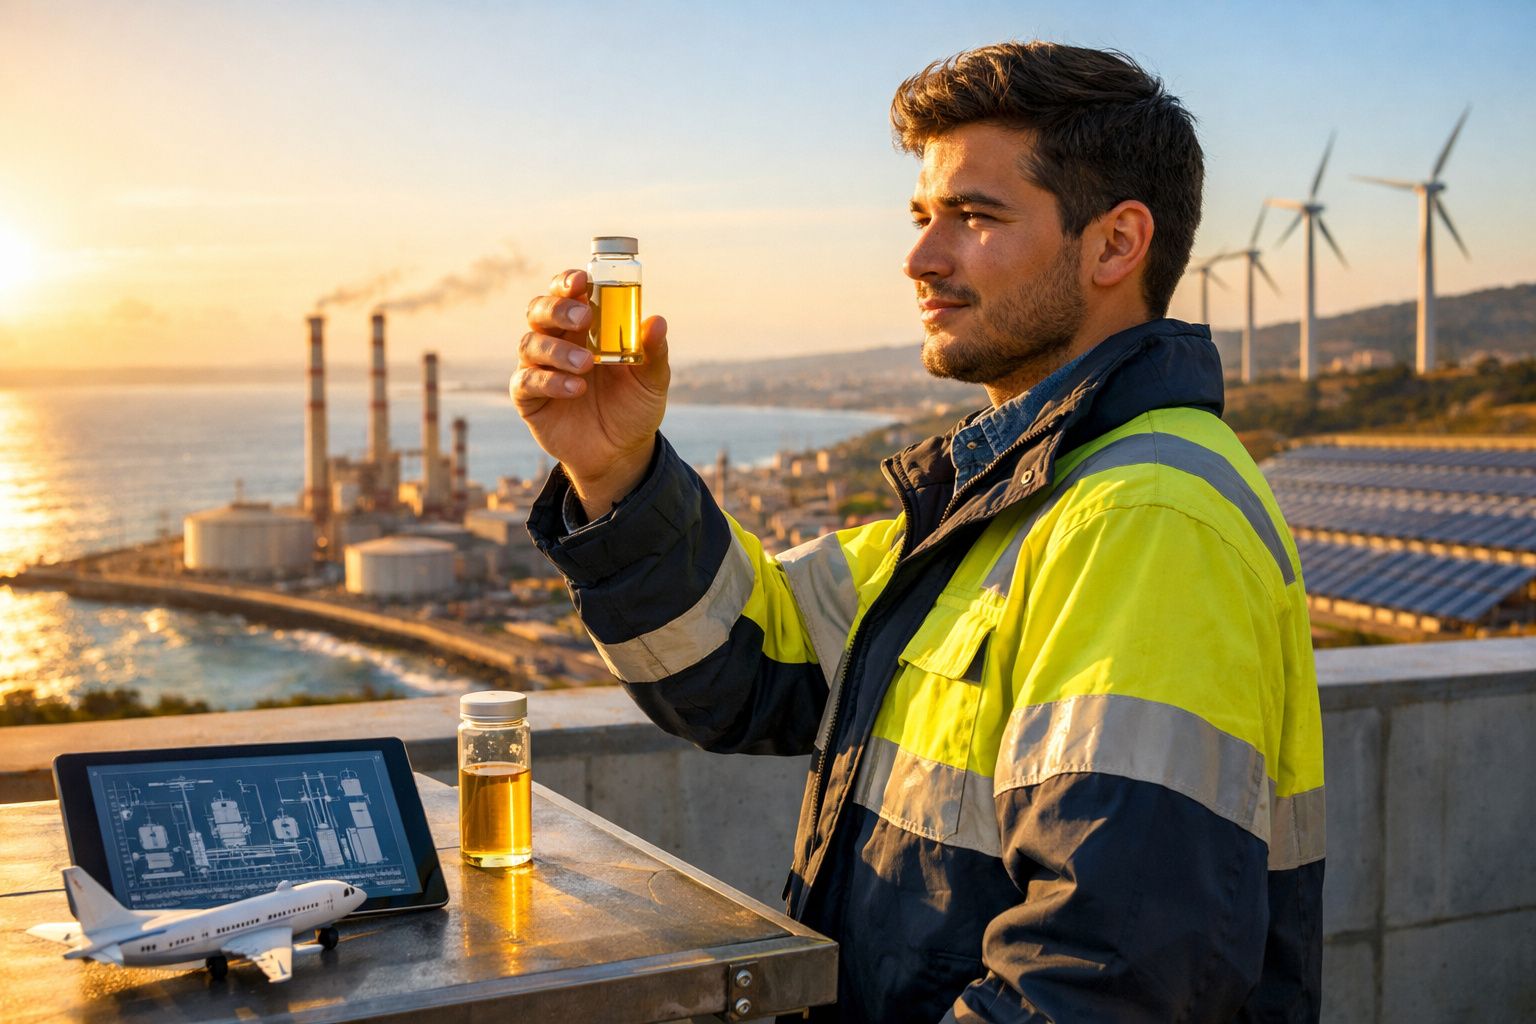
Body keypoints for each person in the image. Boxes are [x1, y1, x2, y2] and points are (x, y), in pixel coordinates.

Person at [513, 41, 1325, 1023]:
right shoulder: (1005, 503)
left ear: (1116, 245)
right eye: (922, 216)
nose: (920, 258)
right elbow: (741, 669)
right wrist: (616, 470)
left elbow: (1107, 979)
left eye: (975, 216)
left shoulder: (1145, 518)